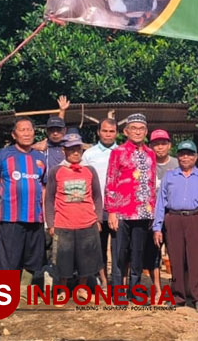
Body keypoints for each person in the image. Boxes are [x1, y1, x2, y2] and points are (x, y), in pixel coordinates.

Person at [153, 140, 198, 312]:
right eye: (182, 154)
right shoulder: (170, 176)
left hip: (197, 219)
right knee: (176, 259)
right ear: (178, 156)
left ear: (196, 157)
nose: (185, 157)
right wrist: (157, 227)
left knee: (197, 260)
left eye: (189, 154)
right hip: (173, 220)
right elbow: (161, 203)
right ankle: (178, 296)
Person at [0, 118, 47, 293]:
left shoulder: (40, 157)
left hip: (35, 217)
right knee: (8, 259)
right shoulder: (4, 155)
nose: (27, 133)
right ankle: (5, 292)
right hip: (10, 217)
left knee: (33, 256)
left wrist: (45, 214)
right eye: (22, 130)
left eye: (30, 130)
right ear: (14, 135)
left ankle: (23, 290)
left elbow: (43, 187)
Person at [45, 133, 104, 301]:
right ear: (64, 150)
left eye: (78, 149)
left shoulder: (89, 170)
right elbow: (49, 199)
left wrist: (98, 219)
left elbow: (97, 197)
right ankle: (62, 289)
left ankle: (82, 288)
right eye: (71, 149)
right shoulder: (56, 171)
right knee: (63, 260)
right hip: (63, 224)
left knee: (87, 259)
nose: (75, 153)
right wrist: (51, 223)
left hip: (87, 223)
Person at [105, 113, 159, 298]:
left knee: (138, 254)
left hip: (144, 213)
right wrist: (111, 211)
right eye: (134, 128)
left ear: (146, 131)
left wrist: (153, 211)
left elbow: (152, 184)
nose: (137, 132)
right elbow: (110, 182)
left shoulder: (151, 154)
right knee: (119, 254)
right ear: (126, 131)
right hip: (122, 213)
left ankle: (135, 292)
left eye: (141, 128)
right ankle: (118, 293)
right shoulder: (117, 152)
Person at [81, 118, 120, 285]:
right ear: (98, 132)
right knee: (98, 247)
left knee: (118, 248)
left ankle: (118, 281)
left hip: (119, 209)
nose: (108, 134)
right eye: (105, 131)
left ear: (116, 133)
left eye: (111, 131)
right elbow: (83, 180)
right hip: (96, 208)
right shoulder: (89, 154)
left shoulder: (123, 151)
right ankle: (102, 281)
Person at [149, 129, 177, 294]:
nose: (160, 147)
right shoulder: (146, 163)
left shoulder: (177, 164)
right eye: (156, 144)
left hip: (173, 215)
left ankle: (176, 287)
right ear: (151, 146)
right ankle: (158, 289)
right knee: (154, 254)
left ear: (169, 145)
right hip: (151, 216)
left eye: (163, 143)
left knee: (174, 253)